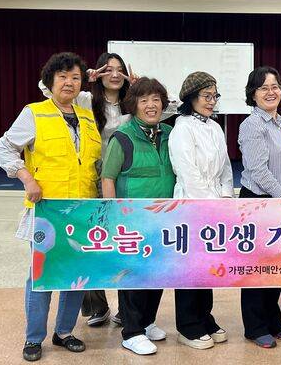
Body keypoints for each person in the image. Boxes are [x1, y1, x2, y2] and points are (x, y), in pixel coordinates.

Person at [0, 52, 100, 361]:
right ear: (50, 82)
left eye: (75, 77)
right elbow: (5, 148)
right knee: (42, 275)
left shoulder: (87, 116)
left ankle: (64, 331)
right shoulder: (34, 113)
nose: (69, 82)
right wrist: (26, 178)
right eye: (62, 77)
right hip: (47, 210)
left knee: (76, 273)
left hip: (83, 209)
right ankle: (33, 338)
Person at [100, 77, 176, 355]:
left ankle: (147, 321)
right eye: (144, 100)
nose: (151, 105)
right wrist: (113, 216)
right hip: (132, 220)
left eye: (156, 99)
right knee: (133, 275)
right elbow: (108, 177)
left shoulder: (169, 133)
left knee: (157, 272)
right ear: (133, 105)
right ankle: (131, 332)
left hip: (164, 217)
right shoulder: (122, 136)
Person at [168, 72, 232, 349]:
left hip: (215, 204)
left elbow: (226, 167)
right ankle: (187, 326)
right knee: (189, 269)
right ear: (191, 98)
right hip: (191, 205)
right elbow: (188, 172)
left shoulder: (215, 127)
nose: (211, 101)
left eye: (214, 96)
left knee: (207, 267)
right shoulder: (182, 128)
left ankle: (205, 317)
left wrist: (225, 197)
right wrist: (209, 205)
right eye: (206, 96)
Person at [238, 66, 281, 348]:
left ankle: (273, 320)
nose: (270, 92)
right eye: (263, 88)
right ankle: (255, 326)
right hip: (257, 202)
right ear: (253, 94)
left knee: (276, 266)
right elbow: (258, 170)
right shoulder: (252, 125)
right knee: (256, 268)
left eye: (275, 87)